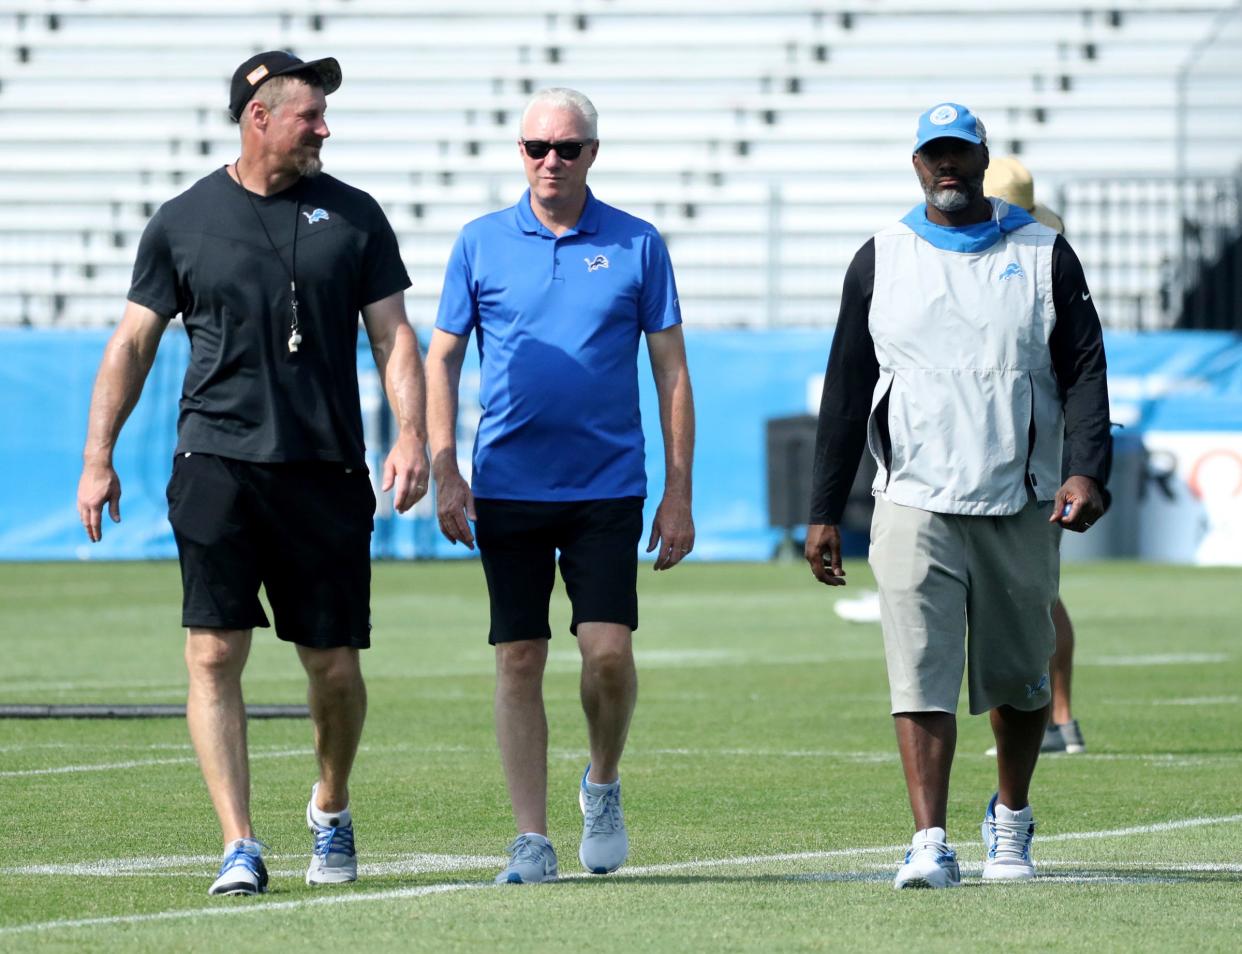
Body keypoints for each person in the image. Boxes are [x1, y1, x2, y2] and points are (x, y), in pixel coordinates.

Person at [75, 51, 430, 896]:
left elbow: (394, 338)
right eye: (310, 115)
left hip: (324, 469)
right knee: (212, 653)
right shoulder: (183, 219)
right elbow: (131, 342)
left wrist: (412, 434)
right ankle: (239, 842)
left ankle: (331, 806)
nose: (324, 128)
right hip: (215, 463)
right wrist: (99, 458)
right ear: (258, 116)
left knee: (333, 668)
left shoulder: (355, 215)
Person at [804, 103, 1110, 889]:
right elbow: (846, 390)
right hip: (911, 499)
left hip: (1019, 496)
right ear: (915, 164)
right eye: (933, 155)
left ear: (982, 158)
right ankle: (930, 840)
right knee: (920, 670)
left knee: (1021, 675)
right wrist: (823, 510)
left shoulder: (1045, 253)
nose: (947, 167)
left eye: (959, 154)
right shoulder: (881, 257)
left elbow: (1083, 369)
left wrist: (1087, 469)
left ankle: (1011, 822)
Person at [426, 87, 695, 884]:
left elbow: (671, 368)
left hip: (607, 487)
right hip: (506, 484)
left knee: (607, 654)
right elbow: (439, 355)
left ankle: (602, 783)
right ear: (519, 153)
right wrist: (446, 466)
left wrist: (678, 489)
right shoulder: (479, 242)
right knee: (519, 657)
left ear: (592, 154)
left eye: (567, 148)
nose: (551, 161)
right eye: (536, 148)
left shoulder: (639, 243)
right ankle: (531, 839)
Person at [984, 156, 1087, 755]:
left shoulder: (1032, 264)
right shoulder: (1049, 253)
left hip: (1021, 442)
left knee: (1032, 591)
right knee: (1041, 589)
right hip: (1032, 438)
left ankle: (1049, 720)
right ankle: (1060, 720)